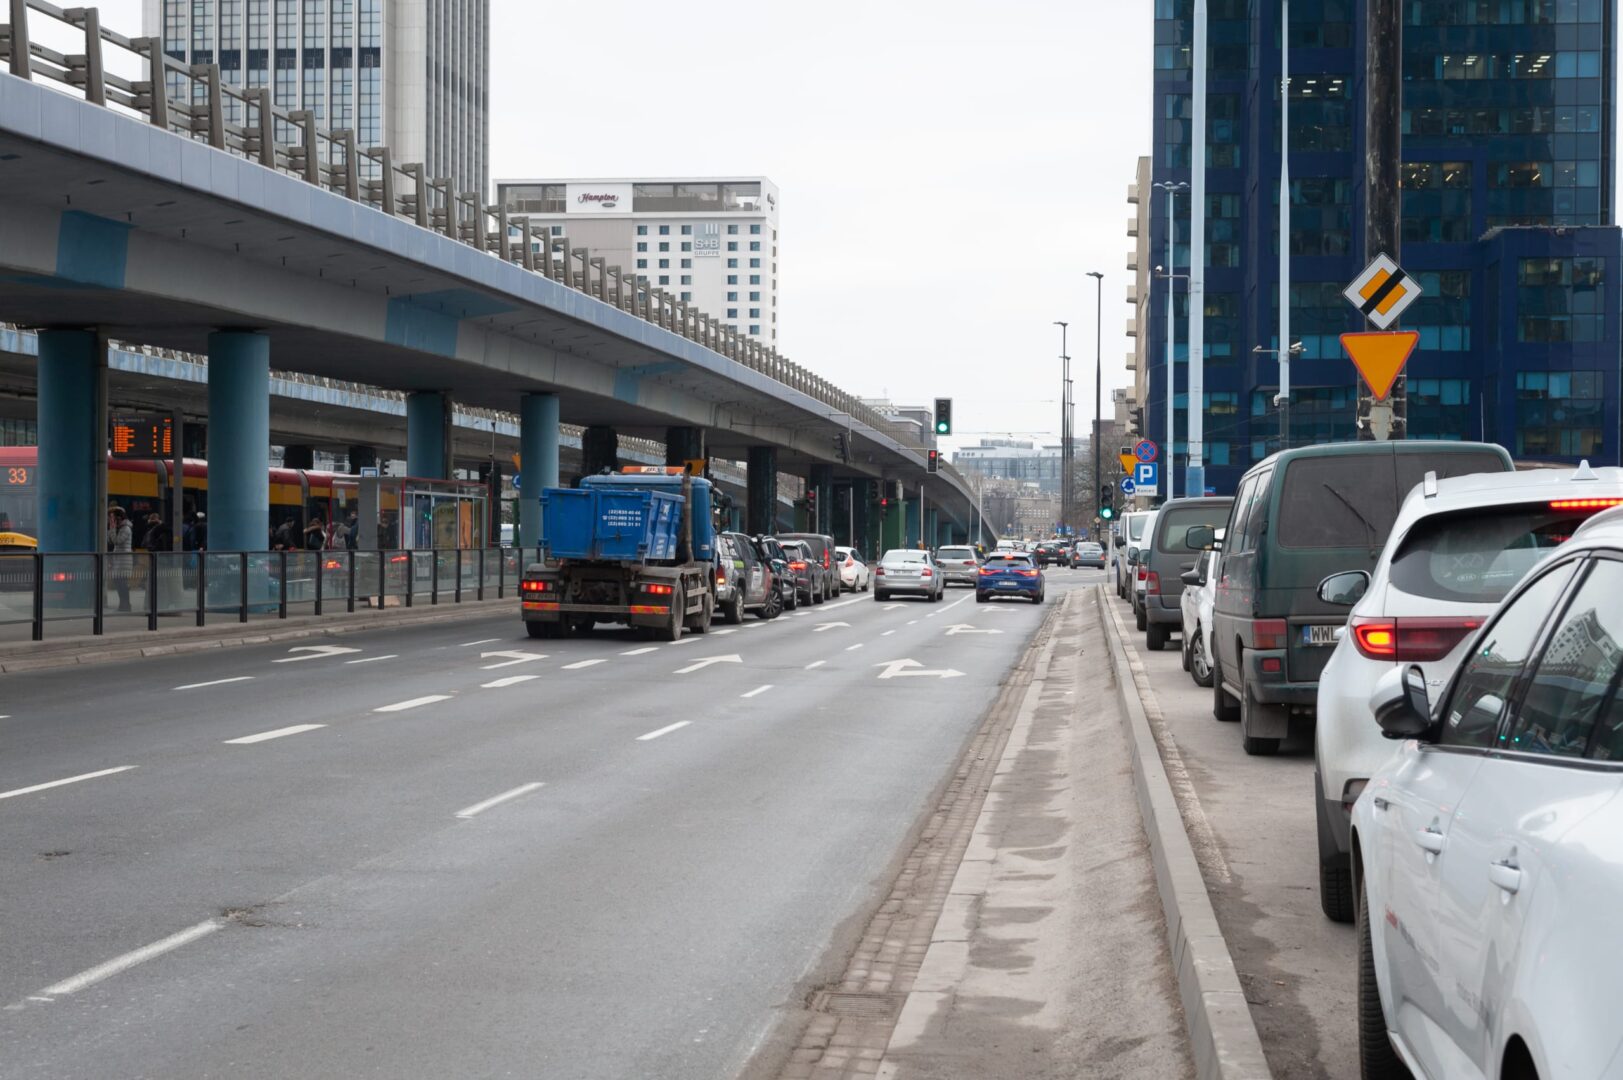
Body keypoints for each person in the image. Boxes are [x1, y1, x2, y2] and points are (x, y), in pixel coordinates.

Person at [106, 506, 133, 612]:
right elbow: (110, 541)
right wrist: (111, 529)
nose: (112, 520)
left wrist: (112, 528)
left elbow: (117, 541)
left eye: (113, 518)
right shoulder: (119, 528)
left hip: (124, 560)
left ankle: (126, 605)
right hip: (118, 560)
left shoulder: (126, 528)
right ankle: (123, 604)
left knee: (122, 583)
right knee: (118, 582)